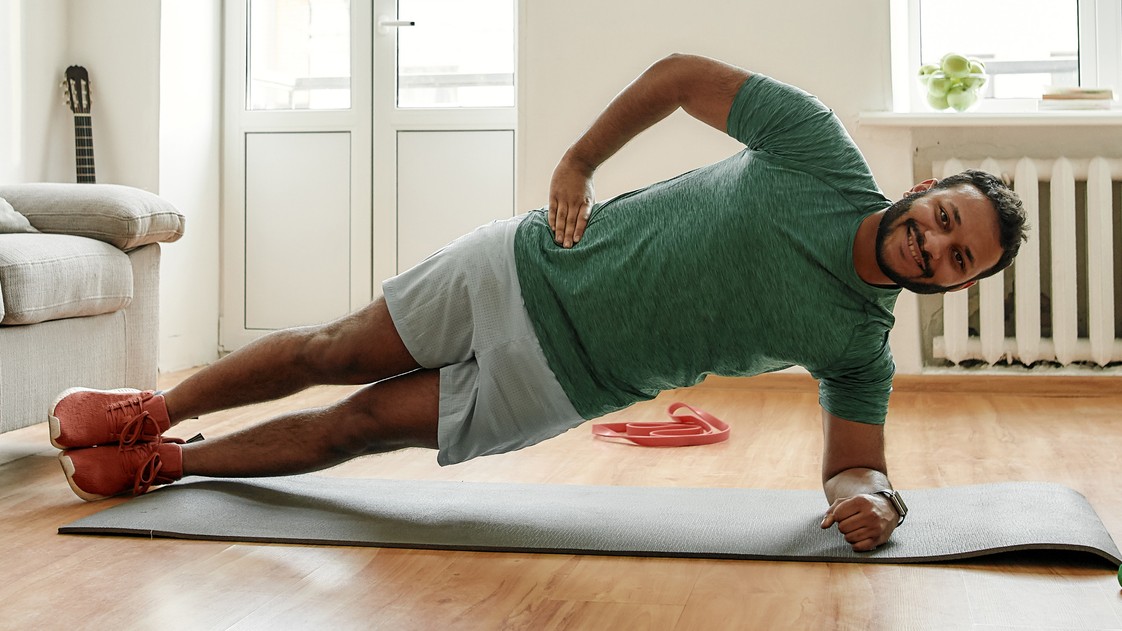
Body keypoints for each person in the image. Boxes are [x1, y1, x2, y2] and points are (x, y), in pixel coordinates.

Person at [48, 53, 1027, 552]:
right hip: (521, 267)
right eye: (944, 218)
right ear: (923, 194)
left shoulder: (860, 343)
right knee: (328, 348)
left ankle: (164, 466)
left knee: (361, 423)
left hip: (561, 380)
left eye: (956, 257)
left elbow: (855, 466)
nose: (935, 243)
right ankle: (150, 409)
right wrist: (577, 161)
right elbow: (682, 75)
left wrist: (872, 503)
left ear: (959, 284)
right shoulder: (817, 147)